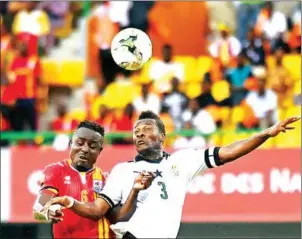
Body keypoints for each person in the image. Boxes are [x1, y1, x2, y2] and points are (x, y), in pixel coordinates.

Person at [44, 111, 300, 238]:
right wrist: (70, 202)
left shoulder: (184, 161)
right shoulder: (123, 171)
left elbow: (228, 151)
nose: (139, 134)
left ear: (163, 137)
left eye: (145, 129)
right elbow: (101, 211)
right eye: (136, 131)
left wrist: (265, 134)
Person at [33, 120, 155, 238]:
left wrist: (135, 191)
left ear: (99, 151)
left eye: (92, 146)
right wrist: (47, 213)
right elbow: (38, 210)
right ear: (71, 144)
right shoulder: (56, 171)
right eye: (80, 143)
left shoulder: (107, 179)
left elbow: (117, 217)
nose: (85, 149)